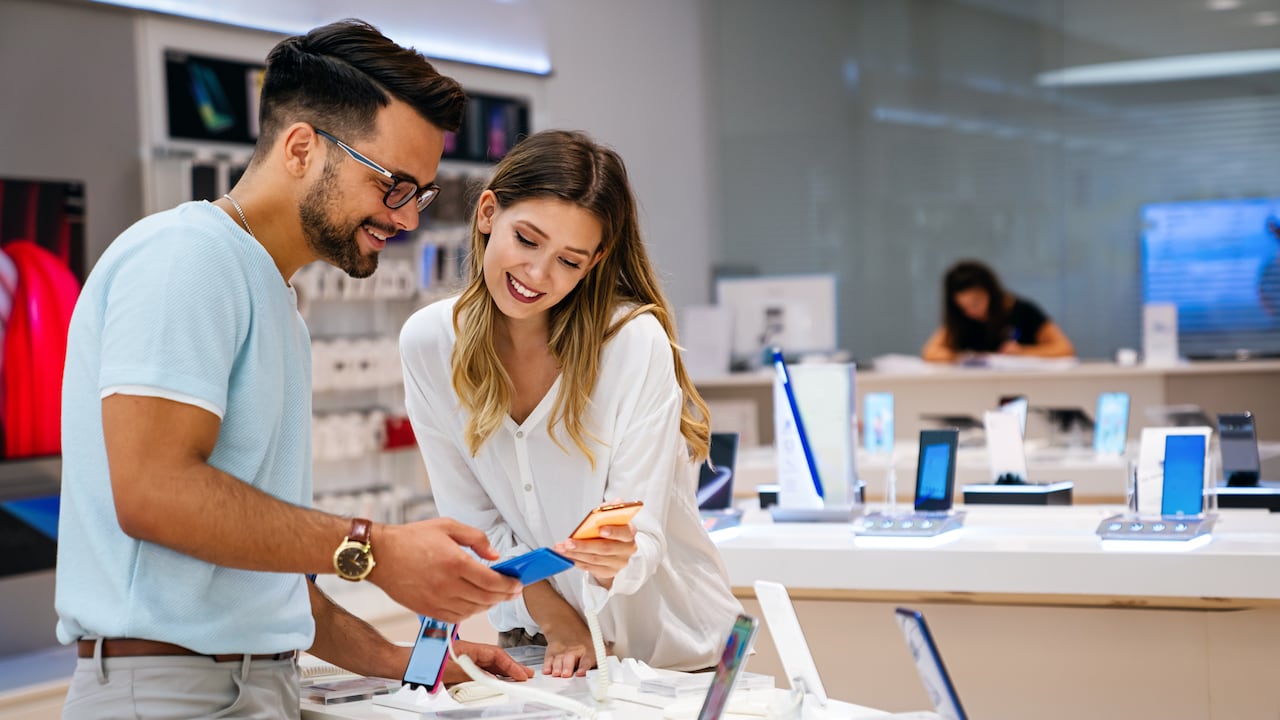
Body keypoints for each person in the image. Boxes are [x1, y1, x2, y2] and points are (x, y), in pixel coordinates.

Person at [55, 20, 532, 719]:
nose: (406, 219)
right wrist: (377, 551)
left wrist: (419, 662)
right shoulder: (187, 257)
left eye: (421, 195)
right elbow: (154, 492)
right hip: (168, 692)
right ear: (302, 148)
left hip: (250, 684)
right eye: (394, 186)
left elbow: (274, 587)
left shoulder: (276, 303)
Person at [399, 129, 743, 676]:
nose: (537, 275)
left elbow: (641, 537)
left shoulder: (631, 342)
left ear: (595, 261)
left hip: (672, 654)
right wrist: (558, 620)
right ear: (488, 213)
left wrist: (613, 557)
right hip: (539, 644)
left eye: (569, 260)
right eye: (527, 240)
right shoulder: (429, 344)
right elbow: (472, 524)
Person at [921, 259, 1075, 362]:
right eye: (963, 307)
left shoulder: (1023, 311)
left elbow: (1065, 349)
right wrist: (961, 357)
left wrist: (1023, 352)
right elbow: (930, 352)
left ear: (991, 293)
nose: (971, 311)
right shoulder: (962, 318)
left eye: (976, 303)